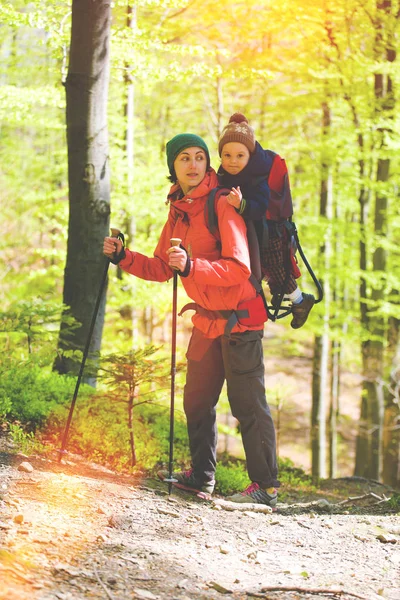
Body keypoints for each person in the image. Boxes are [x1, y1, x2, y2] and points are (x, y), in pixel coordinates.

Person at [103, 133, 280, 506]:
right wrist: (123, 257)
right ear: (174, 167)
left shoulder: (222, 204)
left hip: (240, 320)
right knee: (197, 401)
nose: (194, 164)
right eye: (185, 158)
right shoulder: (179, 209)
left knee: (247, 404)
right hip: (206, 322)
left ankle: (265, 487)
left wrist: (193, 266)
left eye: (200, 157)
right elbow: (163, 268)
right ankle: (202, 476)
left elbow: (238, 268)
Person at [217, 113, 315, 329]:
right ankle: (289, 298)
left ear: (249, 156)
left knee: (276, 269)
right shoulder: (224, 173)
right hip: (251, 231)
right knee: (261, 271)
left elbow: (261, 206)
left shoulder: (258, 176)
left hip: (269, 231)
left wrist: (242, 205)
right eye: (227, 155)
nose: (233, 161)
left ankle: (300, 301)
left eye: (239, 156)